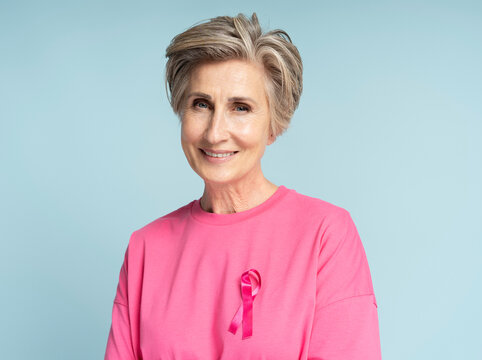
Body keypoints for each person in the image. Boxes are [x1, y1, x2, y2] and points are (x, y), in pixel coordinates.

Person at [104, 13, 381, 359]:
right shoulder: (145, 248)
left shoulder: (326, 235)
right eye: (201, 104)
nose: (215, 132)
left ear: (274, 125)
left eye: (241, 107)